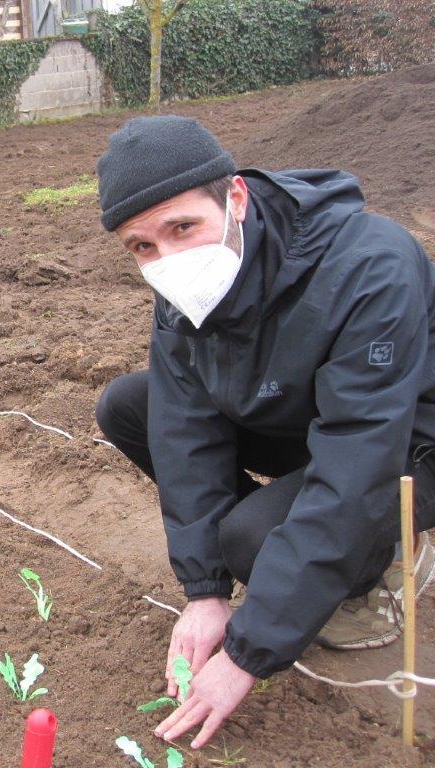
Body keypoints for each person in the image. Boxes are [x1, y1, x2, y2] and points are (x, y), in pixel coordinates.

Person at [93, 116, 435, 748]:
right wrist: (204, 590)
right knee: (129, 405)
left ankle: (374, 570)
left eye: (182, 227)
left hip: (407, 439)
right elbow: (182, 427)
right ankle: (296, 555)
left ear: (237, 200)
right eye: (142, 247)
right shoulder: (184, 283)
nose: (167, 260)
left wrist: (249, 652)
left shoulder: (370, 266)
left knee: (250, 537)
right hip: (301, 413)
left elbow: (359, 458)